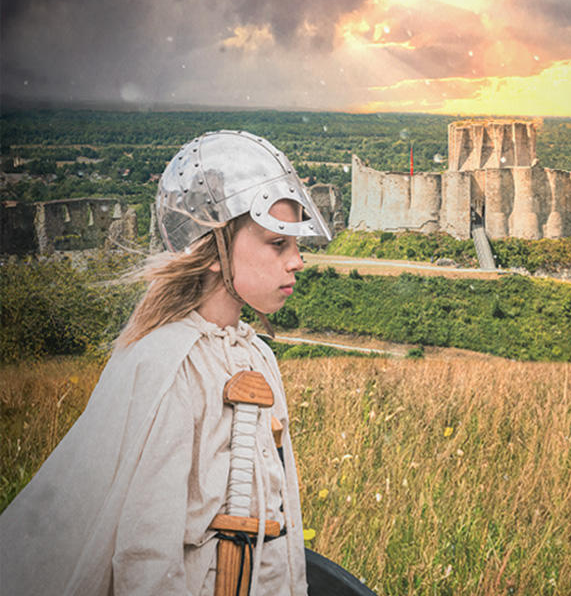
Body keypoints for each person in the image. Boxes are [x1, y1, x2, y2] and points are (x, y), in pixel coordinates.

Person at [0, 130, 331, 595]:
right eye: (278, 244)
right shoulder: (169, 363)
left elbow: (282, 522)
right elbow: (146, 551)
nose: (297, 261)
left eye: (296, 245)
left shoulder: (259, 356)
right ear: (212, 251)